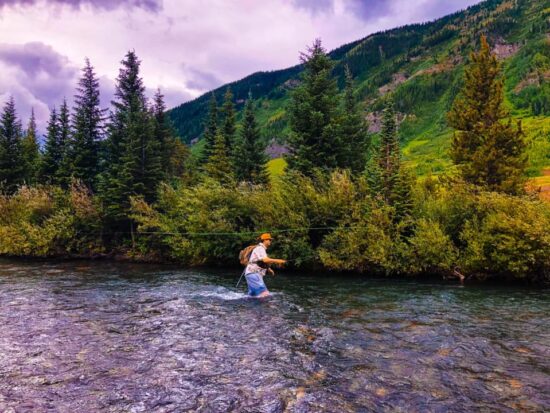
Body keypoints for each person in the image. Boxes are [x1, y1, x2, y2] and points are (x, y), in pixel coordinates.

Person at [244, 233, 286, 297]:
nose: (270, 241)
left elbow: (261, 262)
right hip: (253, 274)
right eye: (269, 240)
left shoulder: (261, 249)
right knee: (265, 295)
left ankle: (249, 306)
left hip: (252, 274)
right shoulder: (260, 248)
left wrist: (269, 269)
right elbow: (265, 260)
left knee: (253, 296)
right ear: (264, 240)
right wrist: (278, 261)